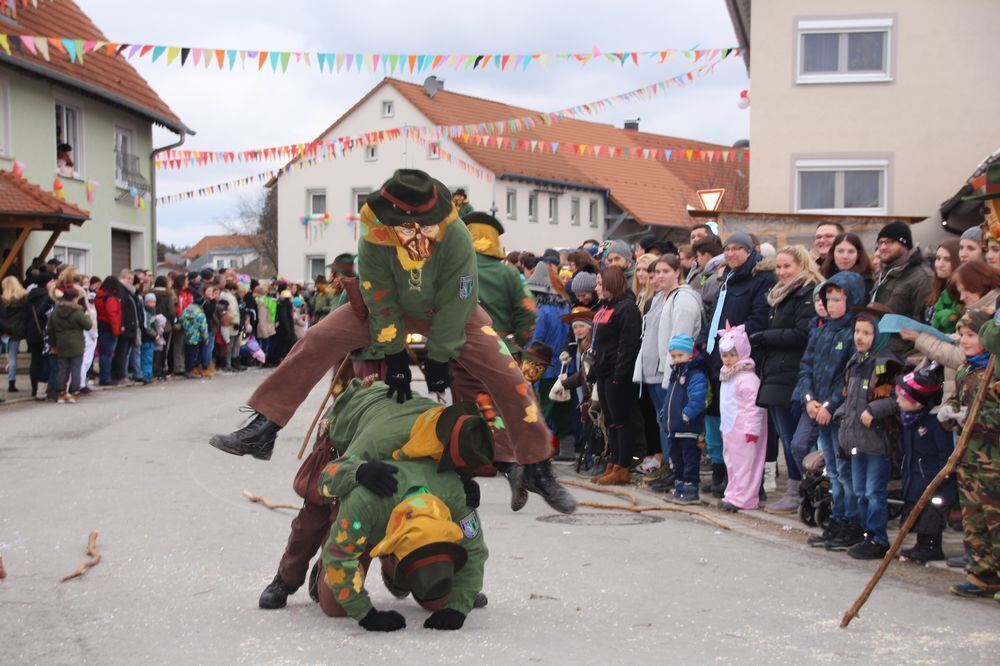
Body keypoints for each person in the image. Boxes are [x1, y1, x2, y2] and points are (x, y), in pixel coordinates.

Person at [209, 169, 575, 514]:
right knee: (317, 339)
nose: (411, 233)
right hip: (388, 306)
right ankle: (265, 427)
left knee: (507, 374)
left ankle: (537, 467)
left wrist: (438, 356)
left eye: (419, 225)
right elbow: (377, 292)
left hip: (448, 310)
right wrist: (395, 354)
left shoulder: (456, 237)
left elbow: (459, 298)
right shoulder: (374, 231)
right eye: (403, 226)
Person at [258, 377, 492, 613]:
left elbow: (471, 542)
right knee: (316, 513)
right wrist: (358, 471)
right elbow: (328, 478)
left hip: (396, 464)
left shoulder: (454, 437)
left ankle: (396, 568)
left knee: (430, 517)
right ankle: (286, 580)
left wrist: (464, 589)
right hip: (350, 428)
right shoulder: (378, 441)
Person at [699, 232, 777, 497]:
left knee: (744, 423)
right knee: (723, 419)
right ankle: (726, 475)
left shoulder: (761, 279)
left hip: (742, 359)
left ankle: (752, 482)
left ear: (751, 250)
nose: (731, 253)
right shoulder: (728, 279)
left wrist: (733, 343)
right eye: (728, 249)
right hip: (719, 355)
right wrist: (704, 339)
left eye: (737, 249)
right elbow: (718, 315)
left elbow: (758, 318)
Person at [797, 271, 867, 550]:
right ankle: (837, 518)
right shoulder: (822, 329)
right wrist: (808, 399)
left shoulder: (854, 333)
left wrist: (829, 405)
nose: (831, 304)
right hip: (818, 409)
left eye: (838, 299)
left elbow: (847, 377)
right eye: (829, 299)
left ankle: (851, 522)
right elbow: (807, 366)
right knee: (833, 471)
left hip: (839, 414)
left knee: (845, 470)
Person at [754, 246, 823, 514]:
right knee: (786, 435)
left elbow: (801, 333)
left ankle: (804, 489)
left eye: (787, 267)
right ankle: (796, 491)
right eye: (779, 267)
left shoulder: (807, 293)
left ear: (802, 265)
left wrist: (765, 337)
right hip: (777, 372)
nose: (781, 272)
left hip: (793, 373)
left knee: (796, 439)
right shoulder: (780, 295)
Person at [938, 307, 999, 599]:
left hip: (993, 461)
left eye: (971, 335)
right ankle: (981, 574)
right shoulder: (966, 369)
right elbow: (955, 400)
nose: (963, 340)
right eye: (961, 334)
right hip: (967, 458)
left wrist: (973, 417)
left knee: (995, 518)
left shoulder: (994, 371)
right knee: (973, 519)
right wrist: (949, 413)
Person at [833, 304, 903, 559]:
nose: (859, 337)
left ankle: (878, 537)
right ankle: (865, 533)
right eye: (857, 331)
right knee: (860, 490)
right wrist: (841, 412)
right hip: (855, 438)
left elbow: (896, 399)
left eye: (867, 333)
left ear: (879, 336)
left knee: (874, 492)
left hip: (876, 439)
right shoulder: (855, 361)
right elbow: (849, 397)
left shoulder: (886, 363)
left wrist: (874, 409)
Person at [633, 254, 701, 488]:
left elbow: (680, 339)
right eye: (656, 273)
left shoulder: (683, 300)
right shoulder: (660, 298)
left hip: (670, 372)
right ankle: (670, 467)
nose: (658, 277)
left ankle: (677, 470)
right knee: (664, 422)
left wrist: (674, 370)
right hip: (653, 370)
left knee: (674, 425)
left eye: (665, 272)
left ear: (677, 273)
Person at [588, 266, 642, 486]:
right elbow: (600, 342)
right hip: (603, 371)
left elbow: (627, 344)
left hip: (617, 374)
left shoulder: (626, 308)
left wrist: (619, 374)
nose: (597, 287)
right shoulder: (605, 307)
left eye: (600, 283)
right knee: (609, 421)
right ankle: (613, 461)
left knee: (620, 421)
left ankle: (623, 465)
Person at [895, 363, 953, 563]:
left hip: (933, 478)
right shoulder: (909, 420)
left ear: (917, 401)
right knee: (919, 512)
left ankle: (931, 547)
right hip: (915, 475)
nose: (898, 401)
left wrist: (943, 476)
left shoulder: (933, 423)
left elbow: (944, 452)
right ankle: (921, 544)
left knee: (932, 515)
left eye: (902, 398)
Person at [716, 324, 767, 512]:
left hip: (745, 430)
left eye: (731, 355)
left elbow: (754, 407)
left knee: (747, 465)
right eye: (724, 355)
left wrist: (752, 430)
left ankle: (746, 497)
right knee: (733, 463)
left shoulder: (747, 378)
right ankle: (733, 493)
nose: (728, 360)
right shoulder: (728, 375)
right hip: (731, 429)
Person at [870, 221, 932, 356]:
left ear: (905, 244)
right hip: (878, 351)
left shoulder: (922, 276)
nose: (883, 247)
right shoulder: (883, 273)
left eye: (889, 242)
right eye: (880, 242)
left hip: (902, 356)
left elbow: (925, 325)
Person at [658, 334, 707, 503]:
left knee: (690, 461)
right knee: (677, 461)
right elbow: (669, 399)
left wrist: (686, 415)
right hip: (674, 428)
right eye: (673, 356)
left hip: (687, 428)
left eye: (680, 355)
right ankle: (679, 489)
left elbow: (698, 399)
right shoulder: (675, 375)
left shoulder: (695, 375)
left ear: (690, 355)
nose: (677, 359)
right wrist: (664, 414)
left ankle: (691, 490)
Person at [44, 287, 92, 404]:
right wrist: (87, 315)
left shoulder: (56, 312)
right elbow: (88, 325)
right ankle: (74, 393)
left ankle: (61, 393)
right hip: (76, 343)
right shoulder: (77, 312)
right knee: (75, 368)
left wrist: (53, 343)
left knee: (62, 369)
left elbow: (49, 329)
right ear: (75, 299)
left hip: (61, 343)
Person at [926, 240, 962, 333]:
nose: (940, 264)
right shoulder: (936, 288)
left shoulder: (962, 294)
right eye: (938, 258)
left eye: (947, 259)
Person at [1, 276, 28, 392]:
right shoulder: (23, 299)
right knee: (12, 358)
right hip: (16, 330)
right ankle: (11, 383)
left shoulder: (3, 300)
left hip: (2, 330)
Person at [94, 276, 122, 387]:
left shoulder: (99, 296)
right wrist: (116, 331)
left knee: (103, 354)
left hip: (101, 326)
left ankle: (104, 377)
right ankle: (105, 378)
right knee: (107, 354)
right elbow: (113, 315)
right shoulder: (110, 298)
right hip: (109, 328)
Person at [181, 291, 209, 379]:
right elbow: (203, 327)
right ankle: (191, 370)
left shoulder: (187, 309)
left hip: (187, 335)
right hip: (196, 337)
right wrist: (205, 338)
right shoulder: (200, 313)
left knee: (187, 354)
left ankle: (187, 369)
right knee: (194, 355)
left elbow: (182, 320)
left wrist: (187, 329)